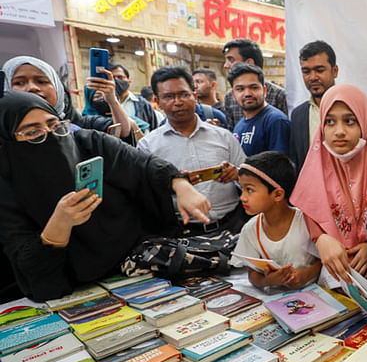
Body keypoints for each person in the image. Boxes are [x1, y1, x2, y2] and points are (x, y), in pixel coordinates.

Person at [0, 90, 210, 301]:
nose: (51, 136)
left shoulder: (87, 141)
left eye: (54, 125)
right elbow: (28, 264)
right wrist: (60, 224)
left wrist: (180, 185)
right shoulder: (6, 185)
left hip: (135, 269)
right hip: (75, 292)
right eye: (32, 133)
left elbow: (141, 164)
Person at [291, 84, 367, 282]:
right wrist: (321, 238)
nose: (339, 131)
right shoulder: (315, 168)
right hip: (334, 278)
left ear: (365, 123)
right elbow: (310, 209)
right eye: (330, 122)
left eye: (349, 121)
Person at [137, 66, 248, 236]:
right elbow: (145, 194)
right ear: (157, 102)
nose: (178, 102)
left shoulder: (224, 137)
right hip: (182, 235)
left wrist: (237, 174)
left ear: (195, 96)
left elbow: (251, 181)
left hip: (233, 228)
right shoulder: (148, 146)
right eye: (168, 97)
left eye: (184, 94)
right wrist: (173, 184)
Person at [232, 151, 322, 289]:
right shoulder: (250, 229)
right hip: (274, 298)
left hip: (315, 293)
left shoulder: (306, 222)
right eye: (242, 189)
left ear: (278, 194)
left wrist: (306, 275)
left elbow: (324, 260)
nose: (242, 197)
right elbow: (253, 275)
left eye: (249, 190)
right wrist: (269, 281)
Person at [289, 40, 367, 170]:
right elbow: (297, 161)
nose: (313, 77)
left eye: (319, 70)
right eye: (306, 71)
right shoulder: (298, 115)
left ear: (335, 71)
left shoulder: (363, 108)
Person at [3, 56, 129, 137]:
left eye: (41, 81)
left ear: (58, 88)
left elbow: (123, 132)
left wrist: (112, 100)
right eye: (19, 83)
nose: (32, 88)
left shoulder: (81, 126)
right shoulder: (5, 137)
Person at [228, 62, 290, 156]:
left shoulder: (276, 121)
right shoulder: (239, 125)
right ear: (233, 94)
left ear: (264, 91)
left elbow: (281, 166)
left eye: (254, 87)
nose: (247, 93)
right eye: (240, 89)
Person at [222, 38, 288, 126]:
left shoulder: (278, 95)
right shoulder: (229, 97)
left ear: (249, 63)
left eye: (231, 60)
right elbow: (232, 134)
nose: (226, 65)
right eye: (240, 89)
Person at [110, 64, 159, 133]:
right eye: (112, 78)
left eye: (120, 77)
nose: (116, 80)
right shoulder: (104, 104)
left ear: (129, 81)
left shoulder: (143, 105)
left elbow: (154, 130)